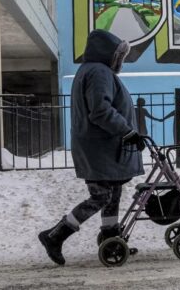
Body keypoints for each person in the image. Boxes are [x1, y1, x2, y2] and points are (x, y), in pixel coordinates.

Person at [38, 30, 144, 266]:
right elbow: (100, 110)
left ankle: (111, 238)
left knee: (113, 192)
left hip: (101, 146)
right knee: (102, 196)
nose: (120, 61)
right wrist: (127, 131)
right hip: (99, 148)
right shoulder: (98, 72)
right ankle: (55, 236)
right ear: (108, 54)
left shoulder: (93, 71)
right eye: (118, 55)